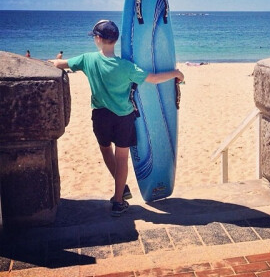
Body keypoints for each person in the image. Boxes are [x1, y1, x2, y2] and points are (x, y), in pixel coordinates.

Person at [50, 20, 184, 216]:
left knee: (106, 150)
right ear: (115, 40)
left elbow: (58, 64)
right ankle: (118, 200)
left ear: (98, 39)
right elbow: (153, 79)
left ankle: (121, 187)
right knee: (122, 158)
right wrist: (176, 73)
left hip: (100, 116)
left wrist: (56, 59)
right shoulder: (126, 67)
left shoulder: (88, 59)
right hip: (123, 117)